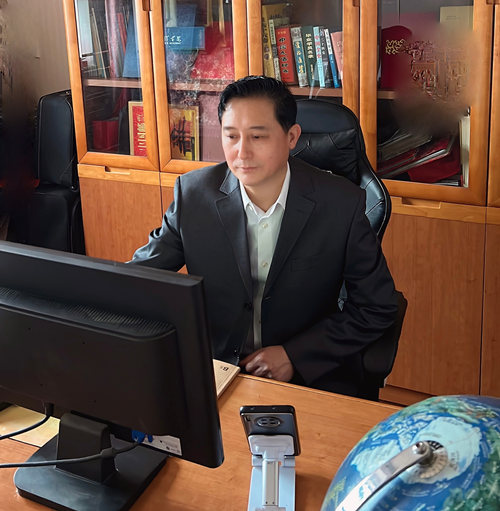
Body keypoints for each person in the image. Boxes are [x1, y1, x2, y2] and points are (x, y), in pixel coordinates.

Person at [131, 76, 398, 396]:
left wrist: (294, 356)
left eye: (257, 136)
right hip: (216, 370)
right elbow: (137, 281)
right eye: (231, 136)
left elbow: (376, 307)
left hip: (308, 374)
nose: (241, 152)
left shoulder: (340, 204)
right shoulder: (193, 195)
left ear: (291, 137)